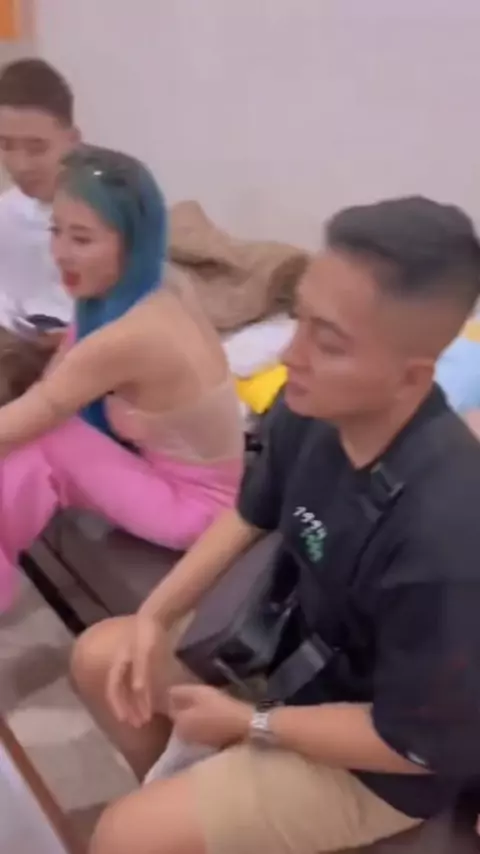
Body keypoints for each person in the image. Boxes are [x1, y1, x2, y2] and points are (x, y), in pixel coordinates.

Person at [72, 197, 480, 854]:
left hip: (377, 761)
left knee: (124, 835)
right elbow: (247, 514)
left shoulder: (448, 533)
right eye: (301, 320)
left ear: (411, 378)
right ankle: (195, 813)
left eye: (329, 342)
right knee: (106, 657)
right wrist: (154, 615)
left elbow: (410, 745)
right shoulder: (309, 411)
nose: (292, 354)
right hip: (289, 666)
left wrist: (250, 723)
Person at [0, 143, 244, 611]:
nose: (61, 253)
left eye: (82, 239)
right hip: (184, 478)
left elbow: (46, 406)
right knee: (31, 438)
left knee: (47, 438)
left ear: (130, 242)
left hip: (197, 509)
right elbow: (61, 373)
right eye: (56, 231)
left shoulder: (132, 336)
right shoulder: (156, 281)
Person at [0, 58, 77, 324]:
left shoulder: (115, 212)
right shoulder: (5, 214)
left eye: (37, 148)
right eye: (5, 145)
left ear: (72, 140)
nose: (20, 165)